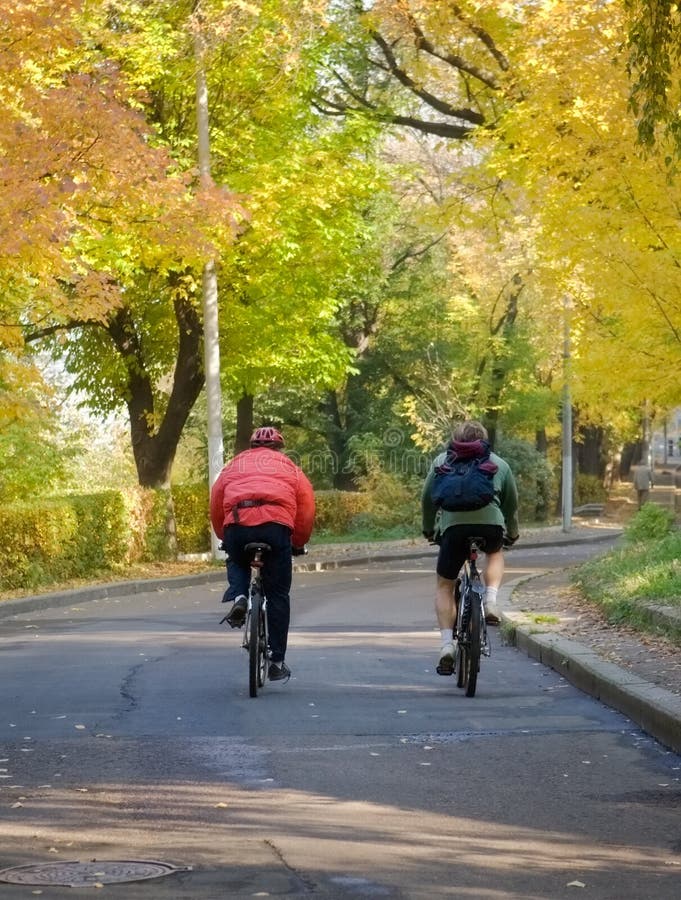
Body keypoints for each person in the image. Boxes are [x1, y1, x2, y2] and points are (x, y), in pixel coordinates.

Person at [210, 426, 315, 682]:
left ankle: (239, 596)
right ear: (279, 447)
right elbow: (306, 506)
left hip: (238, 525)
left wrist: (224, 536)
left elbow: (216, 499)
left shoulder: (234, 465)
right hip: (275, 528)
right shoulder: (290, 467)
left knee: (236, 558)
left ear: (252, 446)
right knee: (278, 594)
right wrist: (298, 542)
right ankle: (276, 662)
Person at [421, 420, 520, 676]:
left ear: (456, 439)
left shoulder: (441, 461)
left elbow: (427, 499)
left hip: (453, 529)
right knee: (495, 552)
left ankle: (446, 645)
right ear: (483, 439)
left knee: (445, 584)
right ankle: (490, 601)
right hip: (490, 526)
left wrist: (429, 528)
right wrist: (513, 531)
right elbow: (511, 503)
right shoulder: (499, 463)